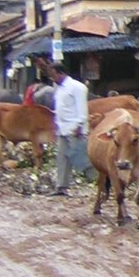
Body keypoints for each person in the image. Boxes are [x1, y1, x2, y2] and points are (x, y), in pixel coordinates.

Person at [48, 61, 89, 197]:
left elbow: (82, 109)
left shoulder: (77, 87)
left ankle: (99, 182)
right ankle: (61, 187)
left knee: (82, 158)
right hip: (62, 128)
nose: (52, 78)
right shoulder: (59, 89)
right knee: (62, 158)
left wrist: (79, 126)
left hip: (74, 128)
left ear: (61, 73)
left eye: (53, 75)